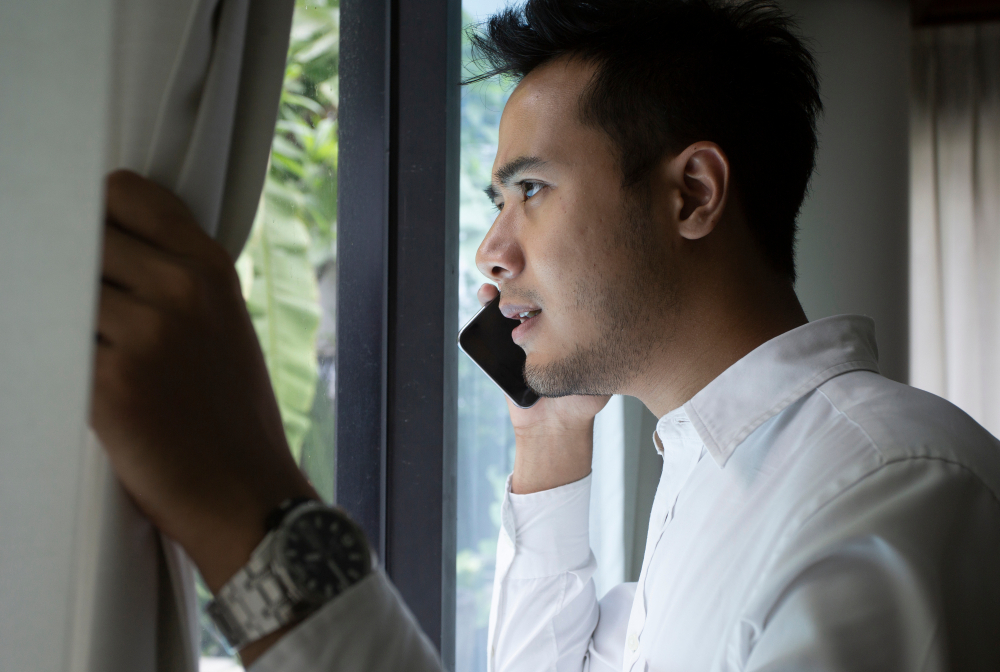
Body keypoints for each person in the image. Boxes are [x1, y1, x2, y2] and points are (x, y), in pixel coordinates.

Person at [91, 0, 1000, 670]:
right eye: (497, 200)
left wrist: (263, 532)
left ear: (692, 194)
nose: (490, 251)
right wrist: (552, 436)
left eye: (530, 189)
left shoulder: (885, 490)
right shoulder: (713, 472)